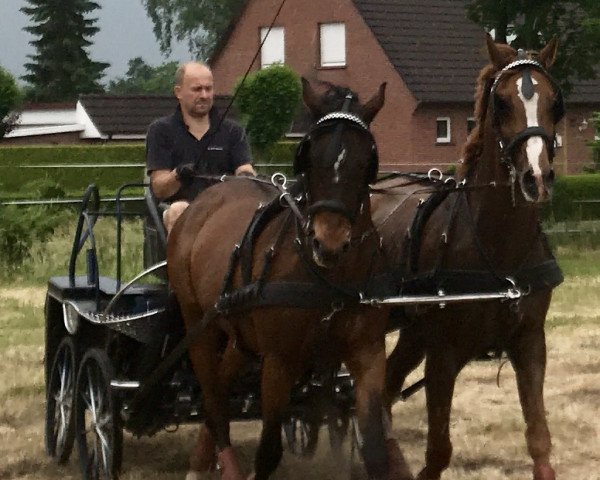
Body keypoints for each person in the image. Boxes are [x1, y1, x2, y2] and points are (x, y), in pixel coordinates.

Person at [146, 61, 256, 232]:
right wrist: (178, 174)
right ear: (178, 92)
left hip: (224, 207)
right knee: (178, 209)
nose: (204, 95)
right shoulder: (161, 130)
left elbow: (244, 167)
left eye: (209, 88)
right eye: (197, 89)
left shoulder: (233, 130)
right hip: (180, 208)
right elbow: (159, 188)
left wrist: (247, 177)